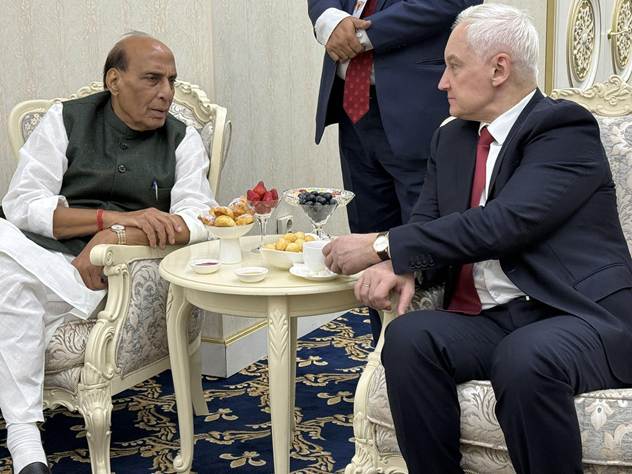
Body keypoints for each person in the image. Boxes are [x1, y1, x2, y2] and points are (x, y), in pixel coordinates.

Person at [323, 4, 632, 472]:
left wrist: (381, 245)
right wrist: (400, 266)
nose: (441, 82)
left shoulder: (563, 130)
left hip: (579, 315)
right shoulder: (450, 139)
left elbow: (503, 225)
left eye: (453, 66)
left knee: (523, 358)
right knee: (408, 337)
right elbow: (426, 224)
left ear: (499, 69)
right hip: (495, 319)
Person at [0, 33, 216, 474]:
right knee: (13, 275)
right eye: (153, 79)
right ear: (114, 81)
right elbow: (22, 204)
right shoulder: (66, 119)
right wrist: (107, 221)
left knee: (8, 279)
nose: (167, 93)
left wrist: (114, 238)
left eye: (172, 81)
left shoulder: (182, 139)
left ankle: (24, 439)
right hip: (41, 257)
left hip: (104, 276)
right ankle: (24, 439)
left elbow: (199, 219)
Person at [307, 0, 481, 342]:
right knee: (368, 249)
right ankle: (383, 356)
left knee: (426, 250)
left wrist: (361, 36)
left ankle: (429, 356)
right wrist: (330, 20)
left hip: (419, 109)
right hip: (354, 109)